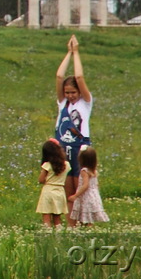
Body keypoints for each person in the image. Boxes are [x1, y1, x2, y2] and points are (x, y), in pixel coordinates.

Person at [54, 34, 92, 205]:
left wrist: (76, 53)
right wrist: (68, 53)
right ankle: (71, 225)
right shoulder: (63, 104)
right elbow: (59, 77)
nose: (70, 96)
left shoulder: (85, 103)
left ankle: (85, 222)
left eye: (73, 93)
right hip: (63, 147)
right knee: (67, 189)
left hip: (80, 147)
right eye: (67, 93)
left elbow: (79, 78)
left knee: (81, 187)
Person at [69, 146, 109, 226]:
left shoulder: (84, 171)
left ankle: (88, 230)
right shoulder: (94, 171)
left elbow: (85, 185)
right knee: (88, 217)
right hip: (94, 195)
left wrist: (76, 195)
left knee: (86, 217)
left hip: (86, 196)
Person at [37, 137, 69, 228]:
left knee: (46, 217)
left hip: (48, 191)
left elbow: (41, 180)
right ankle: (59, 235)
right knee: (57, 218)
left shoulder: (47, 165)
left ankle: (47, 234)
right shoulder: (66, 165)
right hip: (60, 191)